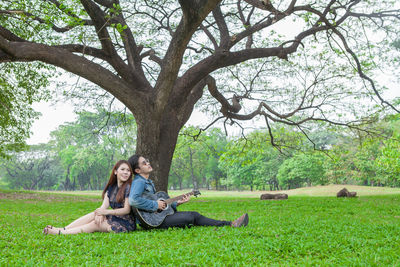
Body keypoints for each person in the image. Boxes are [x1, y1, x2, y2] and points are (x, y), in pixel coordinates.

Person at [128, 154, 249, 229]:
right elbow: (134, 200)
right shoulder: (139, 182)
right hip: (152, 222)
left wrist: (176, 203)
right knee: (191, 217)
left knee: (194, 215)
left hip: (157, 219)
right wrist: (155, 205)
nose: (148, 163)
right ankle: (230, 224)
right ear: (138, 170)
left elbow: (160, 205)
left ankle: (230, 223)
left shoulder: (148, 182)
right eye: (144, 163)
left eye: (147, 161)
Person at [43, 160, 136, 235]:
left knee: (96, 224)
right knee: (94, 214)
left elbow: (126, 210)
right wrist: (100, 213)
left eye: (128, 170)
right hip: (114, 217)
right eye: (123, 169)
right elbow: (103, 206)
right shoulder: (112, 188)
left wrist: (106, 212)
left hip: (125, 223)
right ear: (115, 171)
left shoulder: (128, 187)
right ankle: (64, 228)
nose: (126, 172)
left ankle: (61, 233)